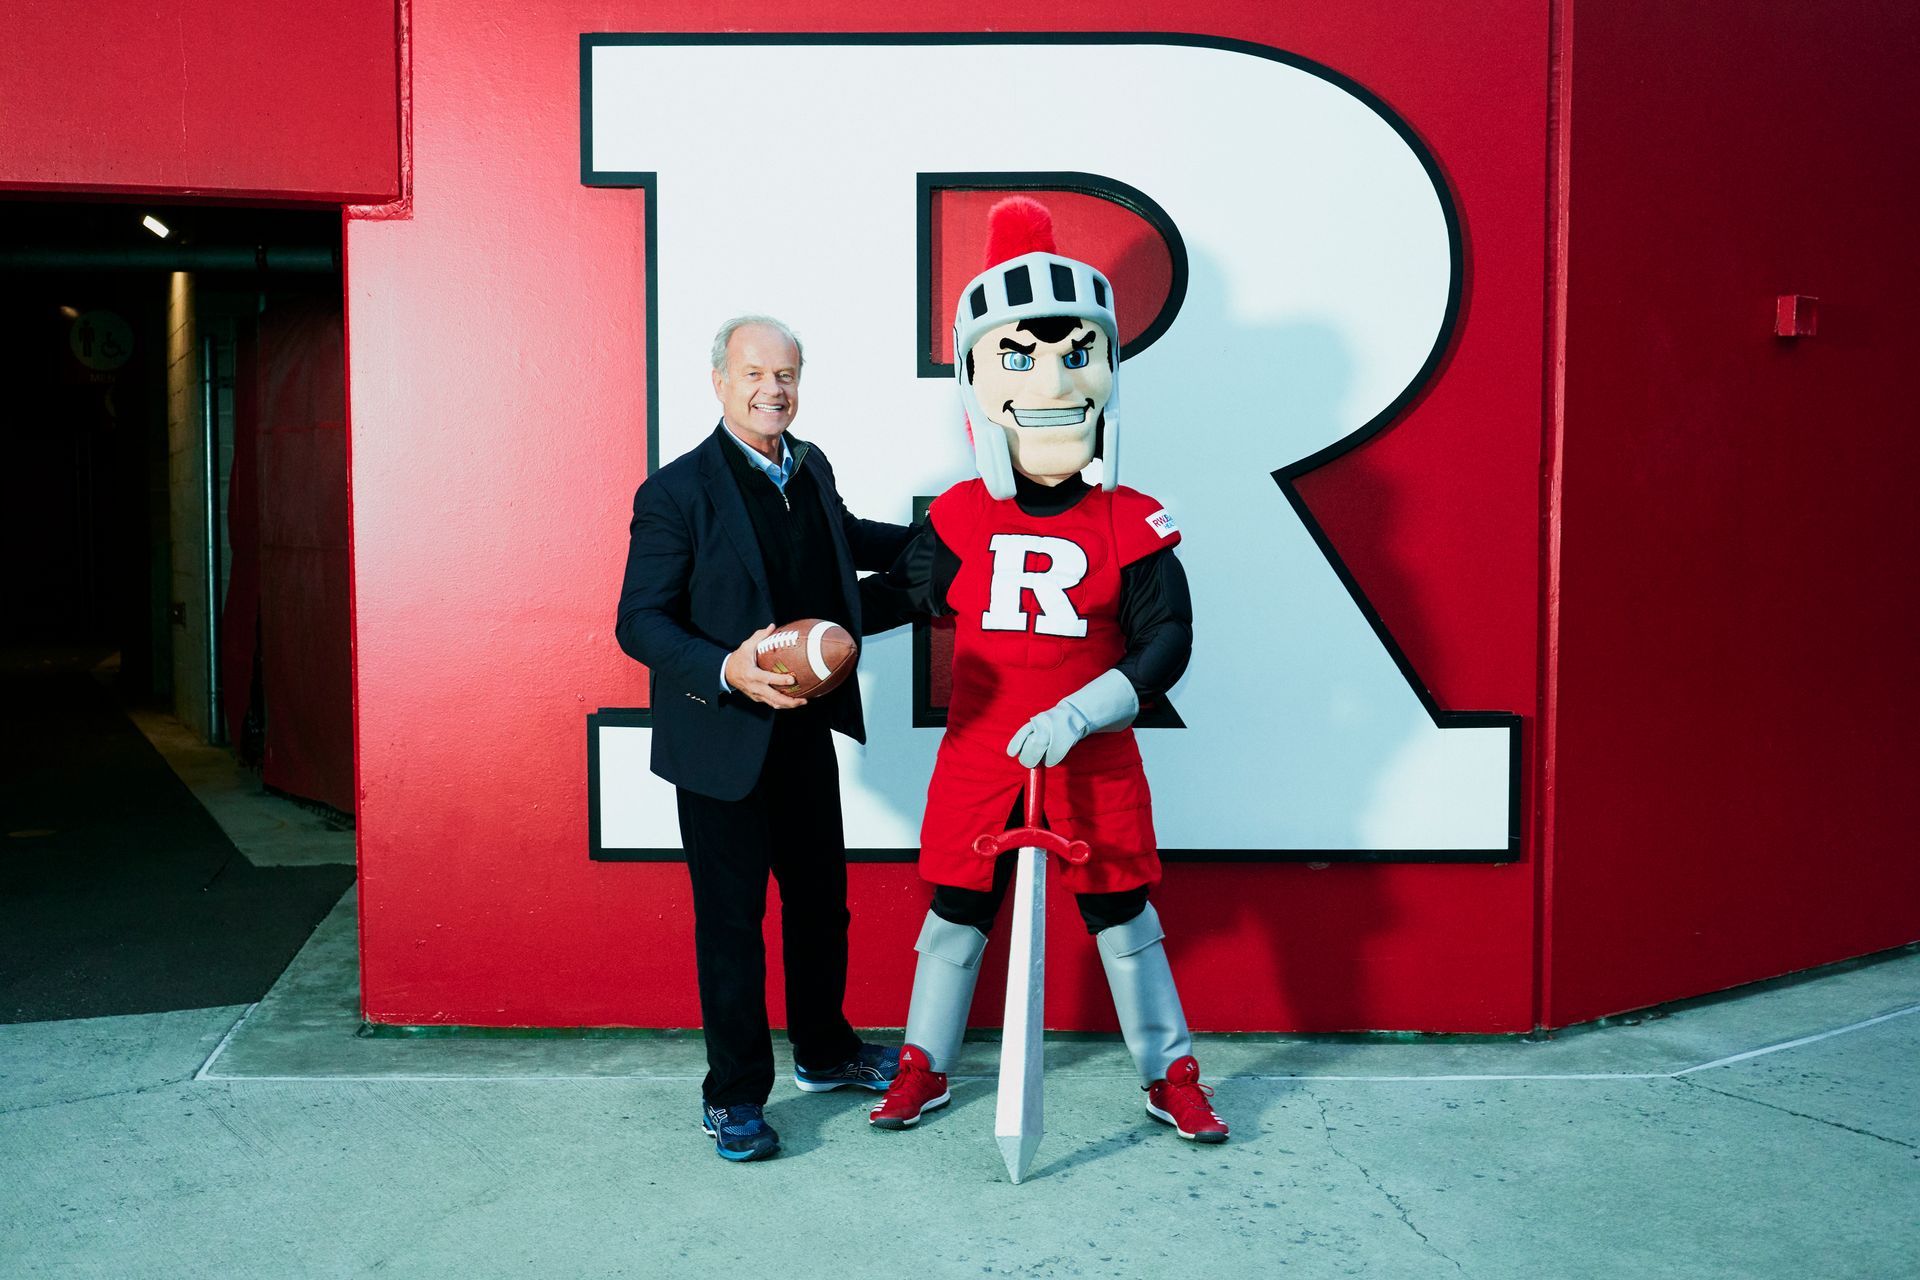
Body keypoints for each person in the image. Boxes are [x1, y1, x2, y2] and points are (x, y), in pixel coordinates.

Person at [861, 199, 1228, 1142]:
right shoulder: (959, 518)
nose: (1053, 378)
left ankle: (1170, 1071)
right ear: (976, 376)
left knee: (1124, 918)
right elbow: (895, 598)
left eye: (1075, 353)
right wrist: (801, 632)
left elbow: (1168, 639)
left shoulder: (1128, 518)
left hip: (1091, 756)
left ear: (1108, 368)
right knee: (954, 914)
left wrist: (1086, 710)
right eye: (1019, 356)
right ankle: (923, 1066)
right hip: (983, 752)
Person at [615, 315, 912, 1161]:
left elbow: (847, 542)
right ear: (719, 382)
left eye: (786, 375)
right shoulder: (674, 492)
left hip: (803, 732)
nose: (772, 389)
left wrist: (951, 539)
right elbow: (639, 623)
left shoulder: (809, 467)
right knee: (733, 924)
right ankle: (734, 1096)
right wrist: (724, 669)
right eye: (754, 374)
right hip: (719, 745)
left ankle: (825, 1052)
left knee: (822, 906)